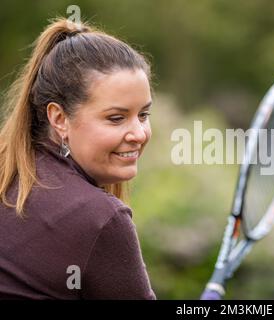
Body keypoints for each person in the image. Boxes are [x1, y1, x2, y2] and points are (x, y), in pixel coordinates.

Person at [0, 18, 156, 299]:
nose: (139, 134)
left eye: (143, 115)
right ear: (59, 118)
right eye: (116, 118)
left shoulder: (7, 169)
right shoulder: (101, 218)